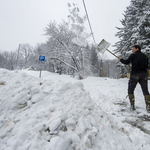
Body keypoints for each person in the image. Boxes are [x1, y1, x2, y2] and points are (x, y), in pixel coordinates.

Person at [118, 45, 150, 112]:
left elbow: (126, 62)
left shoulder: (133, 55)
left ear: (137, 48)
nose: (132, 50)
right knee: (145, 91)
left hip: (135, 75)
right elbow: (147, 66)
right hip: (144, 75)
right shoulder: (145, 56)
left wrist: (120, 59)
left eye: (133, 48)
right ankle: (148, 107)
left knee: (130, 90)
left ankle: (132, 106)